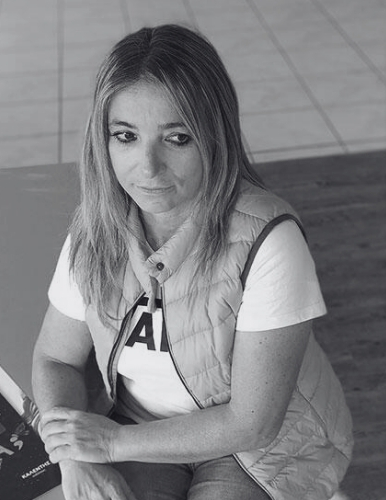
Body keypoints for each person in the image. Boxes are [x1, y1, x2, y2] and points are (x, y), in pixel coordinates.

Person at [32, 24, 353, 500]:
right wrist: (75, 456)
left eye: (177, 138)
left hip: (259, 448)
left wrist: (109, 443)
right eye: (126, 136)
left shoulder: (270, 240)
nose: (148, 167)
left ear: (214, 136)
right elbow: (56, 357)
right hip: (137, 425)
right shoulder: (94, 230)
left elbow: (253, 423)